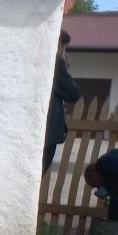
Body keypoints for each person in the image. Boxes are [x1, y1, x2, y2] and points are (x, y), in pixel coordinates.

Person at [44, 30, 82, 173]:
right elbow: (72, 94)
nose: (63, 52)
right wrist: (63, 66)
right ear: (58, 44)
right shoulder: (53, 65)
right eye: (64, 47)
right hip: (47, 135)